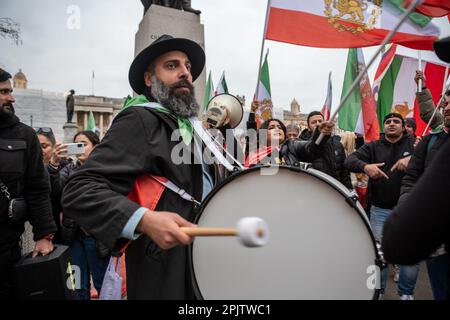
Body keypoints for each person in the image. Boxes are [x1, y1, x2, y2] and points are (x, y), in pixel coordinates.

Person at [62, 35, 214, 299]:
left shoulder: (190, 128)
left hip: (198, 264)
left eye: (188, 66)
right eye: (172, 66)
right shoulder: (140, 119)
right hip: (162, 272)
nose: (185, 73)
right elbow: (79, 189)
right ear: (148, 79)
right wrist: (143, 219)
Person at [382, 35, 450, 301]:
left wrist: (408, 222)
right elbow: (412, 178)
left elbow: (401, 242)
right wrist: (409, 202)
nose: (445, 104)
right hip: (439, 252)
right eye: (444, 100)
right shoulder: (435, 138)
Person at [345, 113, 418, 300]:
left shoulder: (416, 146)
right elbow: (349, 161)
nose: (392, 124)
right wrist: (365, 167)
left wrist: (413, 159)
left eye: (396, 122)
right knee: (380, 257)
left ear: (404, 127)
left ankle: (406, 294)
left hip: (410, 211)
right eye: (388, 122)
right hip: (380, 211)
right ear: (384, 127)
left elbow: (435, 160)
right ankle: (379, 292)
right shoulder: (372, 146)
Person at [0, 68, 56, 299]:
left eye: (11, 90)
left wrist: (44, 235)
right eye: (4, 92)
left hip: (4, 246)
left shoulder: (24, 135)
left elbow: (38, 188)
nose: (12, 98)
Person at [59, 131, 110, 300]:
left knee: (102, 283)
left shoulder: (106, 170)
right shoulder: (68, 170)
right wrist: (52, 164)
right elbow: (54, 192)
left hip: (96, 237)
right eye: (76, 144)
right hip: (74, 238)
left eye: (84, 144)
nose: (79, 148)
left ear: (96, 147)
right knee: (78, 286)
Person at [244, 103, 334, 167]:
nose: (277, 129)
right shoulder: (254, 148)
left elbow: (311, 147)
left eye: (279, 127)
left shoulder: (292, 146)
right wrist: (252, 113)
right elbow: (251, 132)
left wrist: (320, 133)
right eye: (271, 127)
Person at [299, 111, 352, 189]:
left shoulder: (337, 144)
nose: (317, 124)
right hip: (313, 190)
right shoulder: (301, 144)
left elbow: (344, 171)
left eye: (320, 121)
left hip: (335, 189)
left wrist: (349, 190)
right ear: (308, 127)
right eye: (313, 122)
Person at [36, 127, 67, 243]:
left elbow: (57, 195)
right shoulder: (27, 166)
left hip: (54, 228)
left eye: (44, 146)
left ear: (54, 147)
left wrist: (53, 166)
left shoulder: (64, 167)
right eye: (36, 146)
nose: (40, 150)